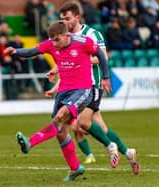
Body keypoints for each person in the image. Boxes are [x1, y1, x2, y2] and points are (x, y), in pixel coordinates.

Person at [4, 21, 119, 182]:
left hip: (83, 90)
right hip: (64, 91)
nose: (54, 44)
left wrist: (105, 77)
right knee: (61, 132)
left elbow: (100, 54)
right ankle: (75, 168)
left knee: (60, 116)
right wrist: (16, 51)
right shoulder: (52, 44)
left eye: (57, 40)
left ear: (66, 36)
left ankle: (30, 142)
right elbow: (33, 51)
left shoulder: (83, 42)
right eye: (52, 40)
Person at [46, 2, 140, 175]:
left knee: (79, 124)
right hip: (77, 89)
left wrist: (84, 60)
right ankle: (128, 152)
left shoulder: (92, 34)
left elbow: (103, 56)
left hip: (92, 86)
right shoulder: (65, 38)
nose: (64, 22)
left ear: (77, 18)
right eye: (62, 19)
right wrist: (56, 72)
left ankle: (107, 149)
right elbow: (68, 64)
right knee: (99, 127)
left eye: (67, 18)